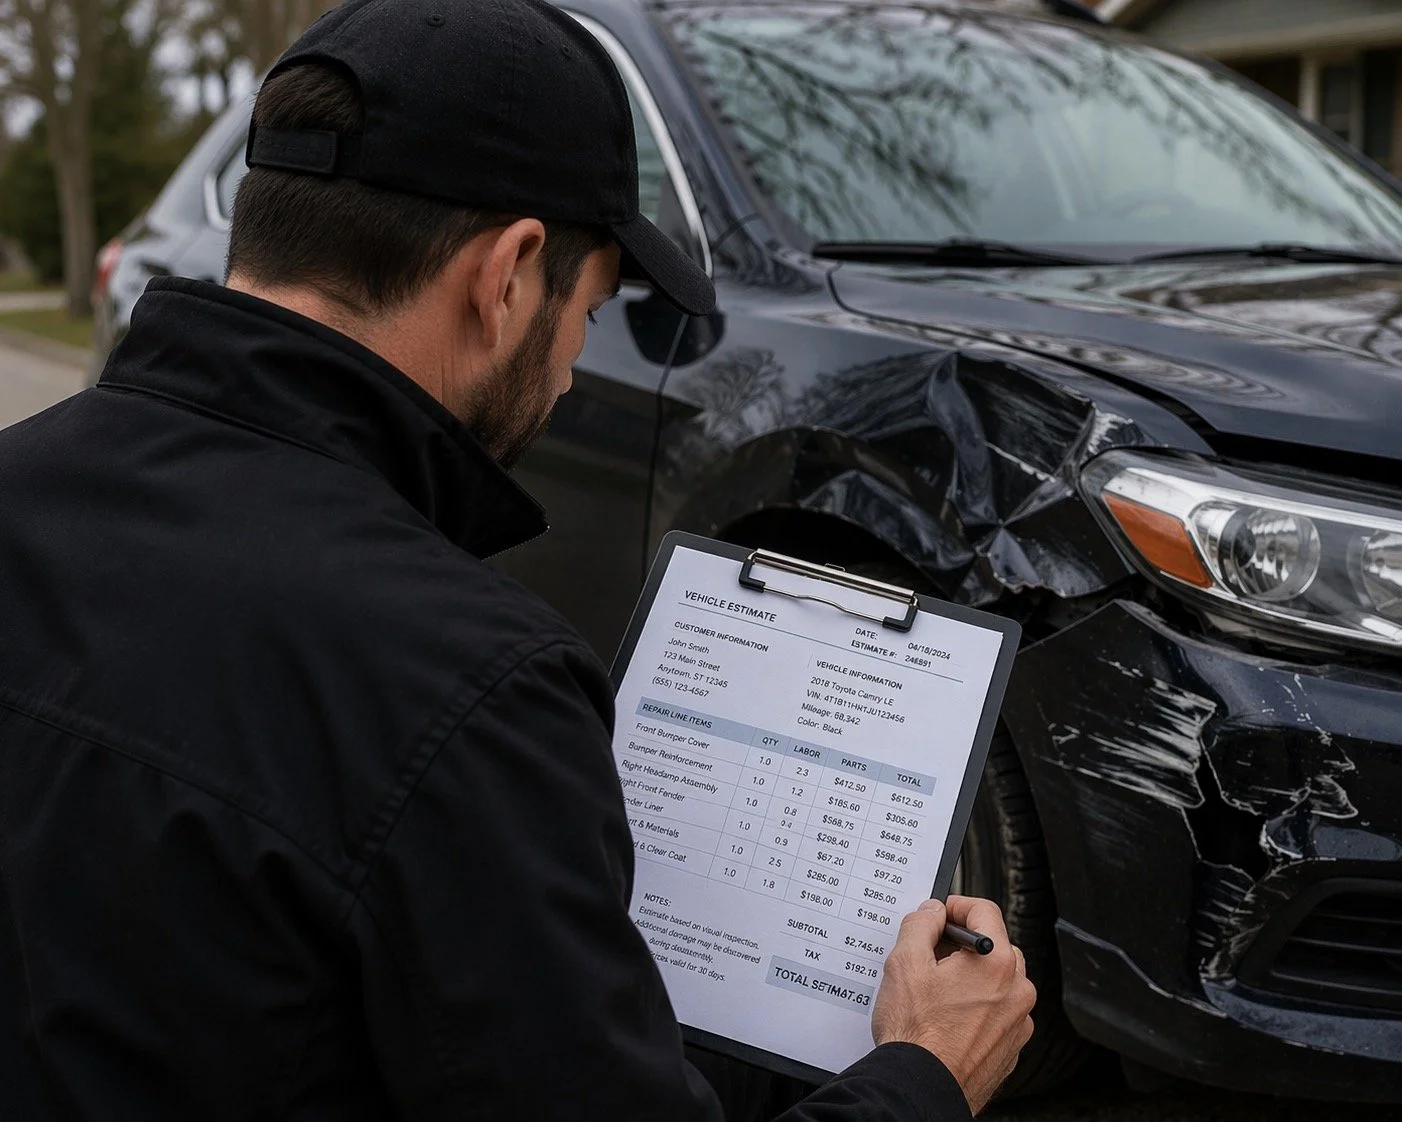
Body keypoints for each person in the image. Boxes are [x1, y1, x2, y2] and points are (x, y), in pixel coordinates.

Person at [0, 0, 1035, 1118]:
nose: (570, 375)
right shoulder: (467, 689)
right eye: (584, 314)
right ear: (507, 276)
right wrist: (925, 1071)